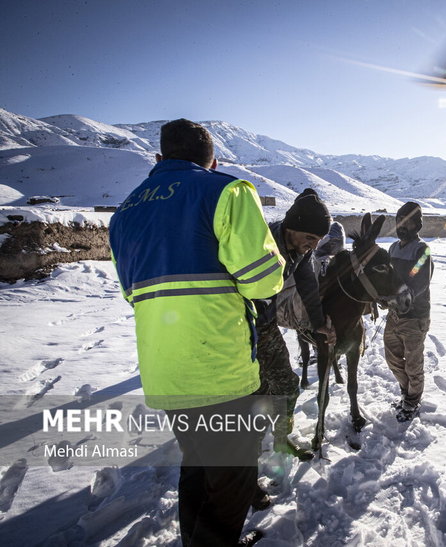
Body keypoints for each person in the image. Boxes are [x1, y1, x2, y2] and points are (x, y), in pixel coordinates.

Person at [108, 119, 285, 546]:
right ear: (213, 161)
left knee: (198, 463)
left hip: (165, 371)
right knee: (234, 480)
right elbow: (262, 280)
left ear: (158, 159)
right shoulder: (226, 191)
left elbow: (131, 293)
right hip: (219, 367)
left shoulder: (124, 213)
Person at [254, 189, 335, 459]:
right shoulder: (260, 241)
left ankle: (280, 437)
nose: (314, 245)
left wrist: (318, 322)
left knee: (286, 384)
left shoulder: (300, 250)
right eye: (310, 237)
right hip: (235, 325)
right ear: (291, 227)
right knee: (251, 391)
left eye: (319, 240)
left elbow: (308, 285)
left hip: (264, 323)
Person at [384, 202, 433, 421]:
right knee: (393, 359)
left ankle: (412, 402)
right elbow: (385, 277)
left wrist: (403, 297)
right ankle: (406, 394)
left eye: (408, 221)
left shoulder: (422, 250)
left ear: (417, 225)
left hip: (414, 317)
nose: (402, 225)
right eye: (399, 221)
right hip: (393, 315)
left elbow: (419, 279)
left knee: (413, 364)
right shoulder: (393, 248)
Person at [294, 220, 346, 368]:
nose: (333, 245)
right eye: (332, 242)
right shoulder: (313, 261)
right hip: (317, 301)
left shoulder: (334, 261)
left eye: (335, 242)